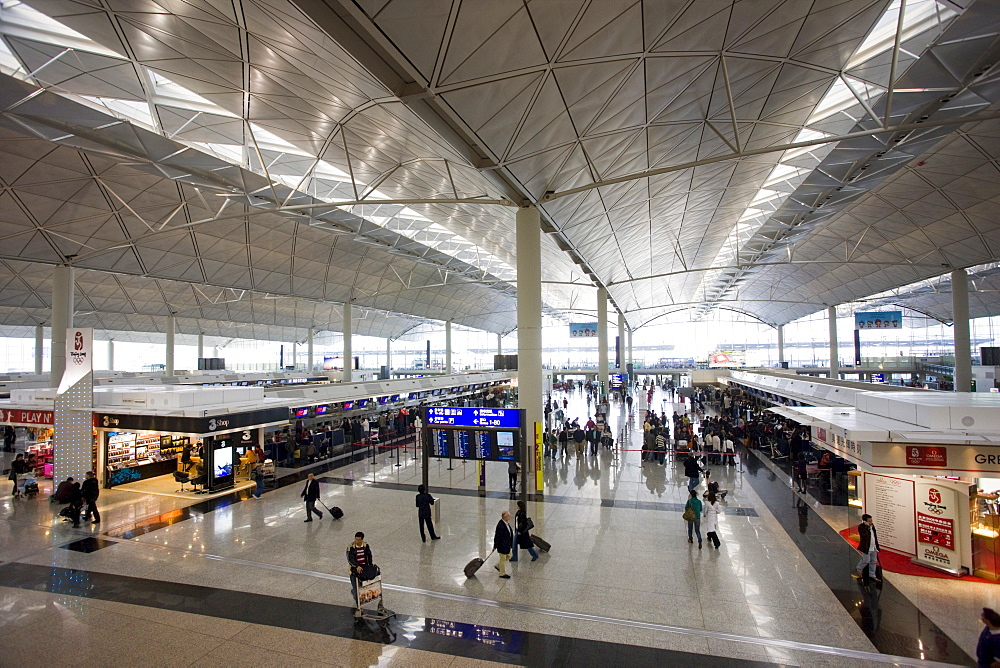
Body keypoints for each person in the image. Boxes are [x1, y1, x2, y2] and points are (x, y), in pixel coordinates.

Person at [852, 513, 881, 582]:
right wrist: (867, 527)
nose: (871, 522)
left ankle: (872, 575)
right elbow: (865, 536)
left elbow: (874, 536)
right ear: (865, 521)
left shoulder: (872, 526)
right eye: (869, 521)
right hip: (866, 547)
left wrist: (876, 546)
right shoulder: (861, 527)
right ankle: (859, 569)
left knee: (873, 561)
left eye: (871, 520)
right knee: (866, 560)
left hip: (873, 547)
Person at [347, 531, 374, 600]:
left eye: (358, 540)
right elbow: (350, 559)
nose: (356, 541)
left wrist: (370, 566)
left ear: (362, 539)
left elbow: (369, 556)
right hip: (354, 570)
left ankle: (354, 592)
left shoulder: (365, 546)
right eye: (356, 539)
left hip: (364, 569)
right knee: (356, 590)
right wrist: (357, 566)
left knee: (364, 587)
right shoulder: (351, 547)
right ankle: (357, 603)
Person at [493, 510, 514, 579]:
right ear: (505, 517)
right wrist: (495, 545)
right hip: (502, 545)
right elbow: (497, 536)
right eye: (508, 516)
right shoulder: (500, 525)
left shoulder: (506, 523)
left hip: (507, 544)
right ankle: (502, 573)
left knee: (509, 555)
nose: (510, 517)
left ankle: (498, 565)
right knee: (503, 559)